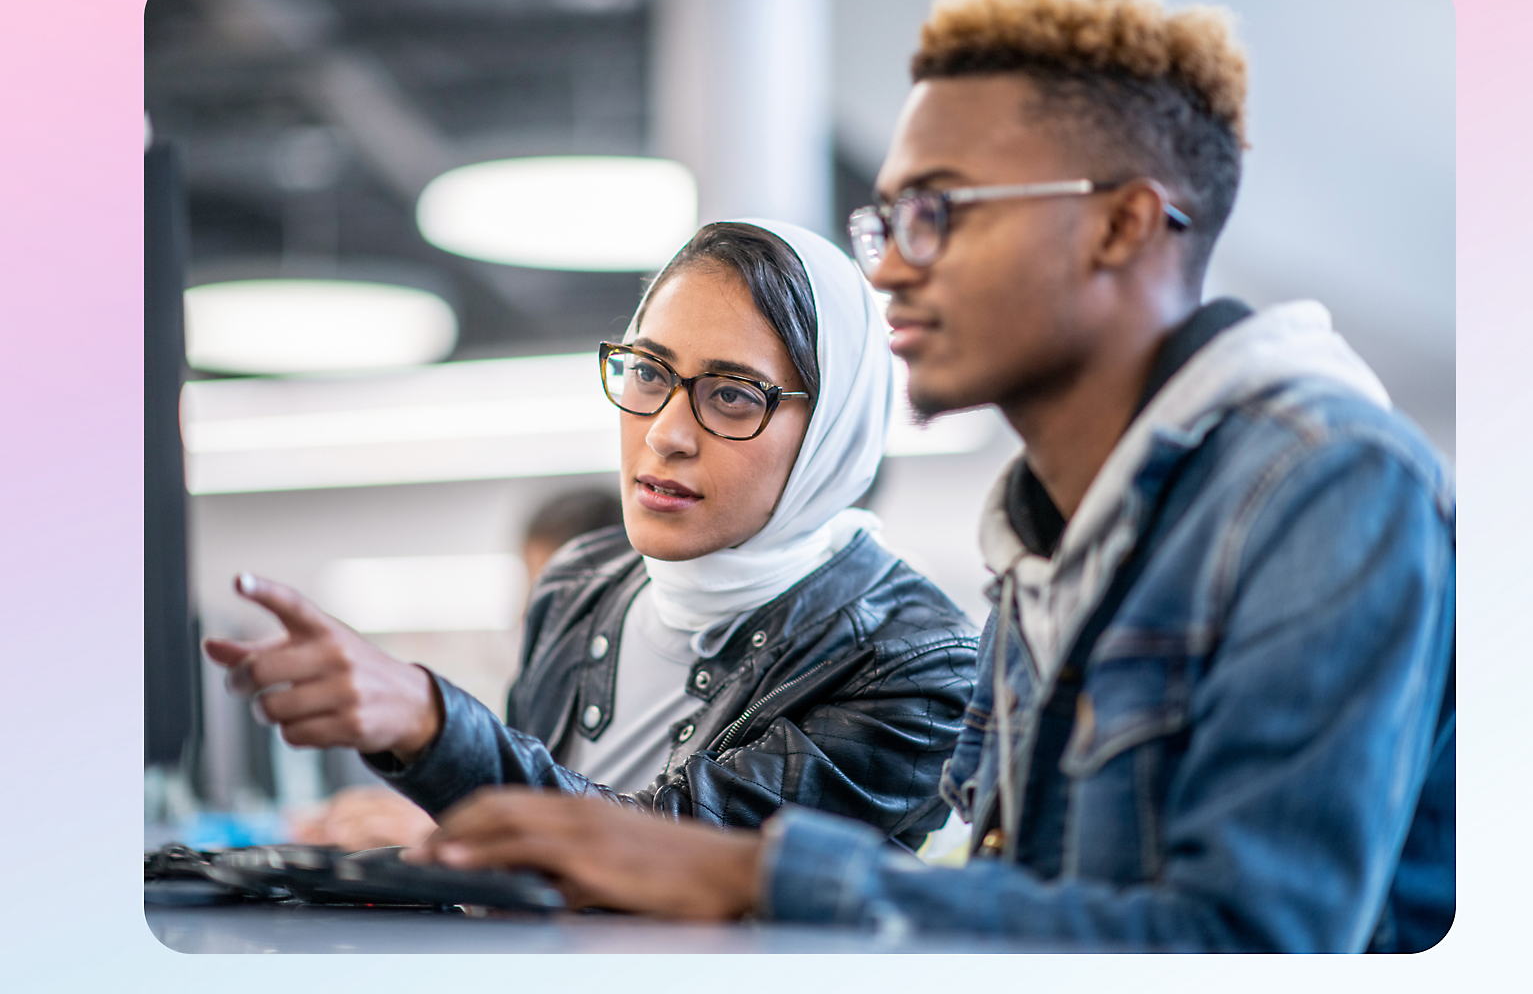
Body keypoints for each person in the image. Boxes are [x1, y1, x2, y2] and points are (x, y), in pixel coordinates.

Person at [403, 0, 1456, 954]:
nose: (894, 267)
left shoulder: (1324, 487)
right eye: (888, 216)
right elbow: (1045, 911)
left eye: (938, 212)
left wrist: (755, 876)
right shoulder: (1048, 540)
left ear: (1122, 224)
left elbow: (1249, 948)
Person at [206, 220, 978, 846]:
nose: (667, 433)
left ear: (832, 431)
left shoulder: (920, 665)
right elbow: (525, 872)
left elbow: (680, 856)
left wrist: (434, 726)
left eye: (733, 395)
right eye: (647, 372)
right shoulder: (582, 581)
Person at [287, 485, 625, 851]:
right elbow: (533, 798)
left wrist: (450, 831)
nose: (527, 614)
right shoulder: (542, 698)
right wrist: (438, 811)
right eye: (534, 595)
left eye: (557, 601)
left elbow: (612, 840)